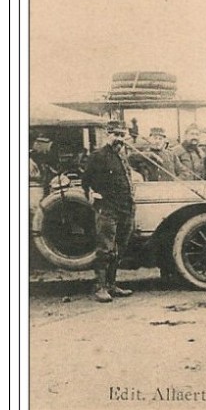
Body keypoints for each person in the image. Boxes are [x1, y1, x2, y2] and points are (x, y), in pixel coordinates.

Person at [81, 120, 136, 303]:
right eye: (116, 135)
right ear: (107, 134)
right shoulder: (98, 156)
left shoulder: (122, 156)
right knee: (105, 248)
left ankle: (112, 285)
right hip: (108, 209)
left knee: (119, 249)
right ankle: (100, 287)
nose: (119, 139)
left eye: (122, 135)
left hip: (125, 209)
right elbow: (86, 181)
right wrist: (93, 196)